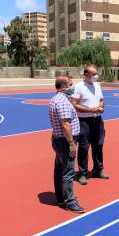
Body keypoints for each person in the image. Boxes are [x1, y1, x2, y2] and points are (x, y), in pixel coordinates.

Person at [49, 76, 84, 213]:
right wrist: (71, 143)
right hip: (65, 141)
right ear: (64, 86)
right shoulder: (62, 101)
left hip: (58, 139)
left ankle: (60, 197)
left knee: (59, 169)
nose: (72, 86)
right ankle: (70, 202)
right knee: (68, 172)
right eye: (70, 84)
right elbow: (65, 124)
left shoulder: (55, 99)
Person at [71, 65, 108, 185]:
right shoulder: (79, 87)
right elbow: (74, 104)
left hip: (97, 120)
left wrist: (100, 107)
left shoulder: (97, 85)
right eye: (94, 74)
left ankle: (98, 170)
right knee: (84, 147)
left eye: (96, 73)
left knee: (98, 145)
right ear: (87, 75)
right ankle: (82, 173)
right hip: (83, 122)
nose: (96, 76)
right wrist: (90, 110)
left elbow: (102, 99)